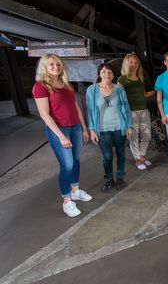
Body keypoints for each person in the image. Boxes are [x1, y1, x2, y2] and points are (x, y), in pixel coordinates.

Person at [32, 54, 92, 217]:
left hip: (76, 128)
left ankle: (75, 191)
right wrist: (61, 136)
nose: (56, 67)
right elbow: (45, 115)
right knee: (67, 165)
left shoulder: (66, 83)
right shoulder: (41, 86)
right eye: (51, 64)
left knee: (76, 161)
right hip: (60, 131)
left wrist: (84, 127)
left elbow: (76, 106)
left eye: (58, 64)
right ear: (44, 66)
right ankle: (67, 201)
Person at [86, 63, 134, 192]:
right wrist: (91, 129)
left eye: (110, 72)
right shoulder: (92, 90)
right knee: (107, 156)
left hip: (119, 127)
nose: (107, 75)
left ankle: (120, 178)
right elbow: (90, 111)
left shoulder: (119, 89)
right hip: (102, 129)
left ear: (113, 75)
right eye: (103, 72)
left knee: (121, 154)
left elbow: (126, 108)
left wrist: (129, 126)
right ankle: (108, 179)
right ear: (99, 74)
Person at [117, 53, 155, 170]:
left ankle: (142, 156)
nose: (134, 64)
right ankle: (138, 160)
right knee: (134, 137)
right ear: (126, 64)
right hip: (131, 112)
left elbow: (144, 93)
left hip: (144, 110)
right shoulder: (122, 79)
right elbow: (120, 98)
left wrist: (154, 92)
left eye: (135, 62)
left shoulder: (140, 78)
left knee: (147, 135)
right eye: (131, 62)